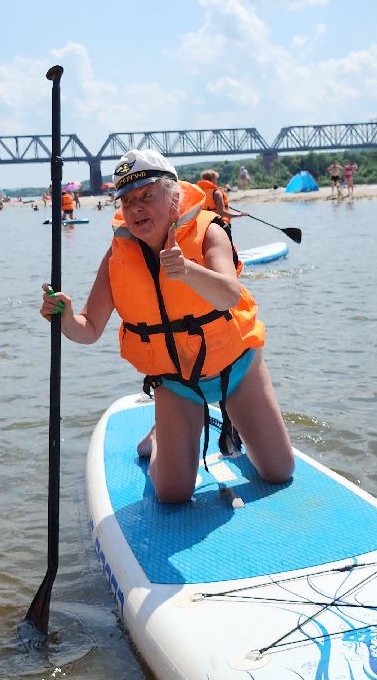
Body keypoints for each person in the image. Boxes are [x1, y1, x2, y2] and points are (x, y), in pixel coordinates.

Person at [39, 150, 293, 504]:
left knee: (279, 471)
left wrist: (187, 270)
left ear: (174, 198)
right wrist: (65, 317)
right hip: (176, 384)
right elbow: (90, 327)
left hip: (237, 366)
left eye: (147, 195)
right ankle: (162, 435)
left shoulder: (209, 231)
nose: (136, 207)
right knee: (172, 495)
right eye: (128, 201)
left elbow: (228, 295)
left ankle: (235, 421)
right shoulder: (117, 255)